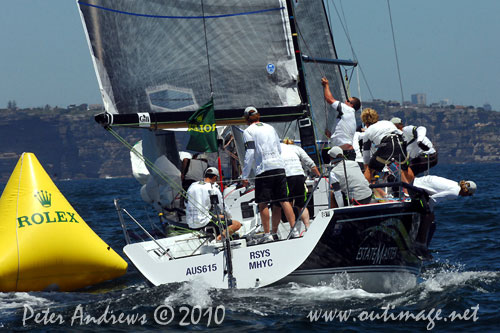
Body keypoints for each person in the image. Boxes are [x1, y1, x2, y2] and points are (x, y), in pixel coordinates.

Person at [241, 106, 297, 241]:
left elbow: (250, 153)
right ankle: (294, 231)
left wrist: (245, 175)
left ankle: (268, 235)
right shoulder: (270, 128)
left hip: (264, 170)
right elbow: (278, 148)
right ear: (258, 116)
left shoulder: (248, 131)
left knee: (263, 203)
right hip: (279, 167)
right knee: (284, 200)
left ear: (246, 119)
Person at [271, 138, 321, 232]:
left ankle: (276, 232)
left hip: (285, 176)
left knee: (278, 205)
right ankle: (307, 227)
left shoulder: (275, 149)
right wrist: (319, 175)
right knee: (301, 204)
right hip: (299, 175)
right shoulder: (297, 148)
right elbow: (310, 162)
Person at [412, 175, 476, 245]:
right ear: (467, 192)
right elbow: (433, 199)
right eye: (469, 195)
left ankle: (420, 240)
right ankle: (420, 243)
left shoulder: (455, 184)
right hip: (416, 186)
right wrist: (429, 211)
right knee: (428, 218)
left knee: (431, 215)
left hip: (418, 181)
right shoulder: (454, 193)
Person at [185, 167, 241, 240]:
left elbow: (185, 203)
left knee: (219, 217)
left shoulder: (193, 186)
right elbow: (222, 206)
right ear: (215, 177)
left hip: (190, 223)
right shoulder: (213, 188)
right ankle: (219, 240)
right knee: (236, 224)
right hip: (204, 222)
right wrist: (228, 216)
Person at [360, 108, 414, 184]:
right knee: (406, 168)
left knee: (369, 169)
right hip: (400, 143)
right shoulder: (387, 122)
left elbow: (366, 154)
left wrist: (366, 166)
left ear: (364, 121)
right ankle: (414, 191)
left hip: (387, 145)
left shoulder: (367, 132)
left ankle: (365, 192)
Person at [321, 77, 361, 161]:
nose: (344, 101)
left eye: (347, 100)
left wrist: (326, 85)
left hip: (343, 152)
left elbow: (329, 99)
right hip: (342, 152)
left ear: (351, 104)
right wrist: (331, 135)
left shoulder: (347, 109)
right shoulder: (349, 115)